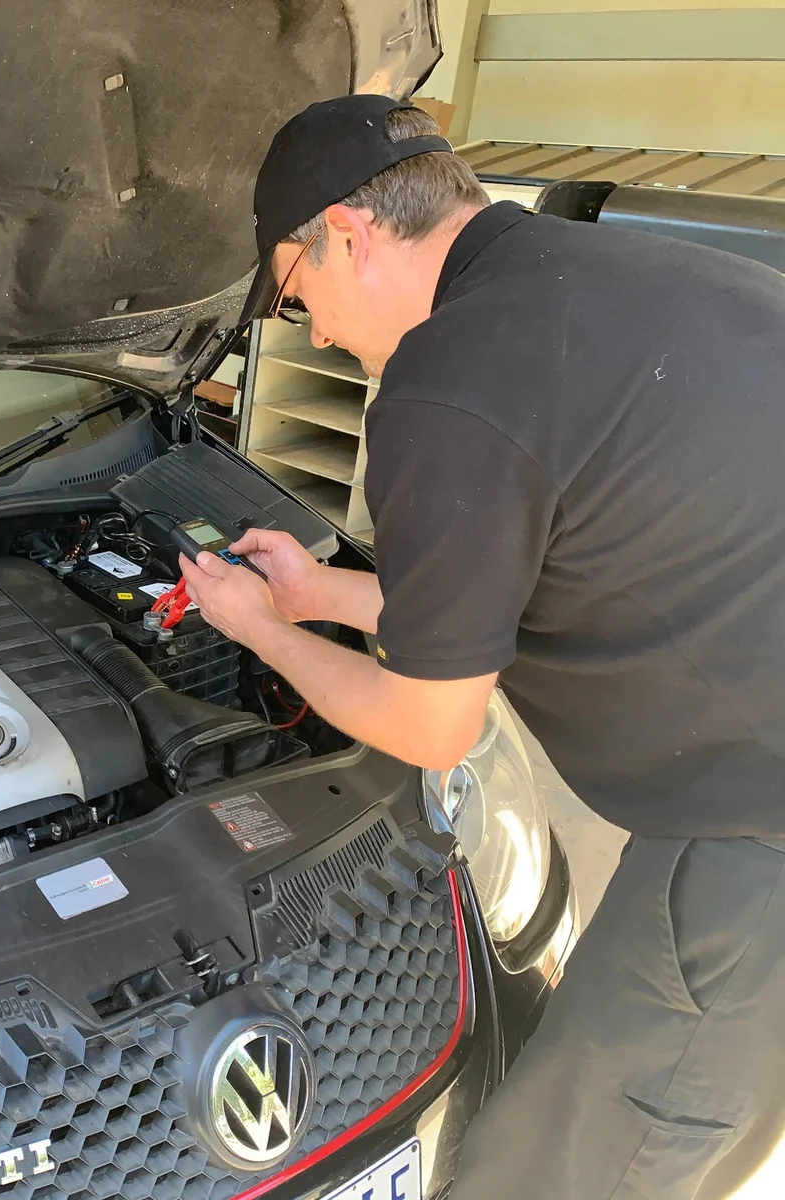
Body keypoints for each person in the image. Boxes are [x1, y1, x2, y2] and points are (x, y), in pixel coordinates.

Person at [180, 93, 785, 1199]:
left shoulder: (446, 383)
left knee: (571, 1168)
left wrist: (262, 629)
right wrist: (320, 590)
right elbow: (535, 577)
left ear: (348, 235)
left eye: (297, 293)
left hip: (757, 851)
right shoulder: (623, 277)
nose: (313, 332)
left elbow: (429, 721)